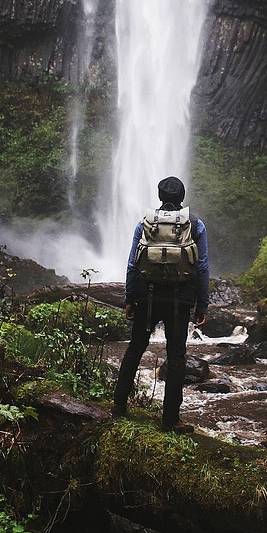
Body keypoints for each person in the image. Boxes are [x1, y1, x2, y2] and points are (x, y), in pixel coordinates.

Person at [111, 176, 209, 432]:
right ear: (182, 197)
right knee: (176, 355)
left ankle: (119, 405)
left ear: (159, 196)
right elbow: (202, 267)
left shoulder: (145, 224)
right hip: (180, 299)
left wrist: (129, 298)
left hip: (148, 296)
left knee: (135, 348)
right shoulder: (195, 225)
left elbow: (133, 264)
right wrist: (202, 304)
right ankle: (171, 419)